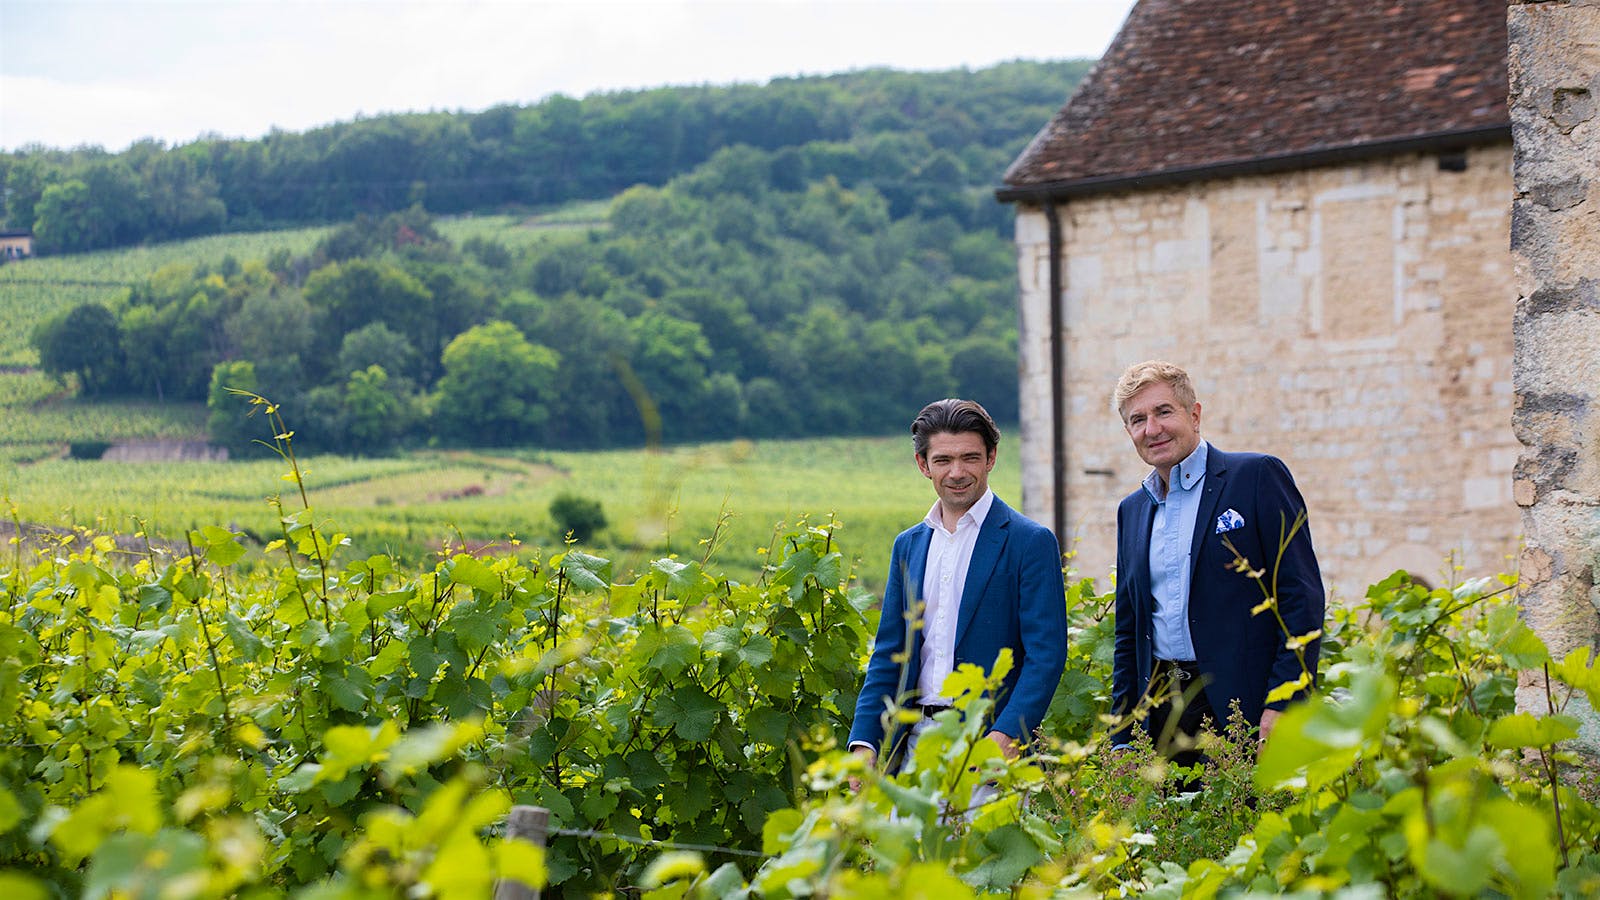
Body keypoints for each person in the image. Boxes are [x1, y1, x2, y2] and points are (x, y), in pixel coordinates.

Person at [1108, 361, 1325, 767]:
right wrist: (1123, 735)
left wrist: (1286, 701)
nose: (1151, 429)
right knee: (1174, 830)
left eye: (1163, 412)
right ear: (1129, 433)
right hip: (1163, 717)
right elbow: (1129, 631)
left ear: (1195, 414)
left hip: (1248, 710)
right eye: (1138, 420)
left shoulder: (1256, 476)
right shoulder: (1132, 511)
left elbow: (1302, 600)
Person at [848, 399, 1068, 784]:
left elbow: (1046, 655)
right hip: (913, 748)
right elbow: (889, 656)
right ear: (923, 464)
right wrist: (865, 742)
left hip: (988, 749)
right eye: (943, 460)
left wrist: (1008, 734)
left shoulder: (1029, 542)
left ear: (991, 458)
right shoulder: (908, 546)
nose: (958, 472)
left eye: (970, 457)